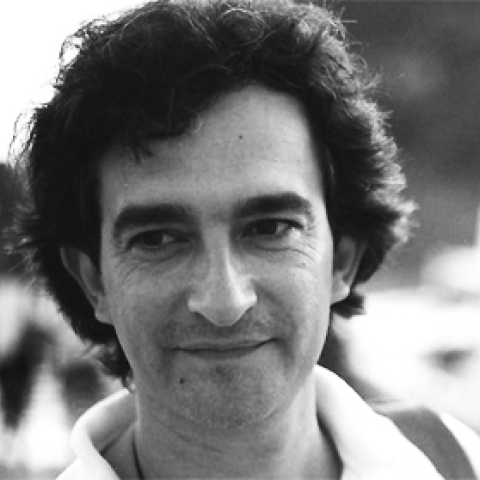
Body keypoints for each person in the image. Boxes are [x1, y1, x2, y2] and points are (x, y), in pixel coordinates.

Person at [10, 0, 480, 478]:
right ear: (94, 282)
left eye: (270, 228)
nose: (225, 302)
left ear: (342, 258)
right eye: (158, 239)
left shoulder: (455, 459)